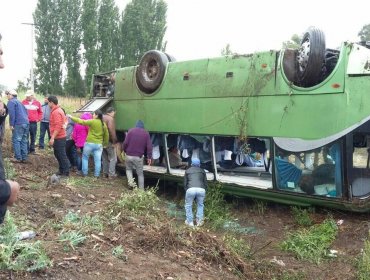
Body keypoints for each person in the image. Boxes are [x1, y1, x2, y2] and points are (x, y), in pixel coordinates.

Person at [0, 33, 20, 224]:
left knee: (18, 141)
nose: (2, 64)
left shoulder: (12, 104)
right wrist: (6, 190)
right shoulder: (16, 103)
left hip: (21, 126)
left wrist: (7, 119)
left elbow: (13, 116)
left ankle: (20, 157)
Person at [69, 110, 109, 178]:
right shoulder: (103, 124)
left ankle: (85, 173)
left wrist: (71, 117)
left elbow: (81, 121)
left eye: (93, 114)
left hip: (89, 143)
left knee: (85, 158)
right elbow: (106, 135)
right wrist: (104, 143)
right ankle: (96, 175)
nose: (92, 115)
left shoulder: (92, 121)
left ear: (96, 115)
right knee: (97, 160)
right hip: (99, 145)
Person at [122, 120, 152, 190]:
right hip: (138, 157)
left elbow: (125, 143)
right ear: (143, 126)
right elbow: (149, 146)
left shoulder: (130, 131)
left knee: (129, 170)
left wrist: (125, 150)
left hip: (128, 155)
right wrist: (149, 157)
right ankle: (141, 190)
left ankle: (131, 185)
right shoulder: (146, 133)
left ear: (136, 125)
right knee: (140, 174)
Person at [48, 95, 70, 176]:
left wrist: (52, 138)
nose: (48, 105)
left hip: (59, 137)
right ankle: (61, 170)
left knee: (61, 154)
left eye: (48, 103)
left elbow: (58, 125)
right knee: (57, 154)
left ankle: (66, 172)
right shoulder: (58, 110)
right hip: (59, 137)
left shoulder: (56, 112)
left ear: (51, 102)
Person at [6, 90, 30, 163]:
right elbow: (26, 112)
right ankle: (24, 158)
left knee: (16, 140)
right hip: (26, 122)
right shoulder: (20, 102)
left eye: (8, 94)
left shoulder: (11, 102)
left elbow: (12, 114)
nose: (7, 96)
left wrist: (11, 124)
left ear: (11, 95)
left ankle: (18, 158)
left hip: (18, 123)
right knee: (23, 140)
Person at [183, 158, 207, 227]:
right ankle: (199, 221)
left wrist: (187, 192)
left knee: (188, 205)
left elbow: (185, 184)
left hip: (190, 189)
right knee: (200, 205)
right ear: (199, 164)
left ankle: (190, 222)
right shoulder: (202, 171)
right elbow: (205, 183)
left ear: (191, 164)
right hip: (201, 189)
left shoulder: (187, 171)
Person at [102, 107, 118, 178]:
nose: (114, 114)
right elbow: (111, 131)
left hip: (101, 140)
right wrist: (114, 141)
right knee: (113, 158)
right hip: (108, 141)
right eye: (114, 113)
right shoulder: (110, 119)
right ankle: (111, 174)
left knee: (104, 157)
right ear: (112, 112)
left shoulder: (102, 117)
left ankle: (105, 173)